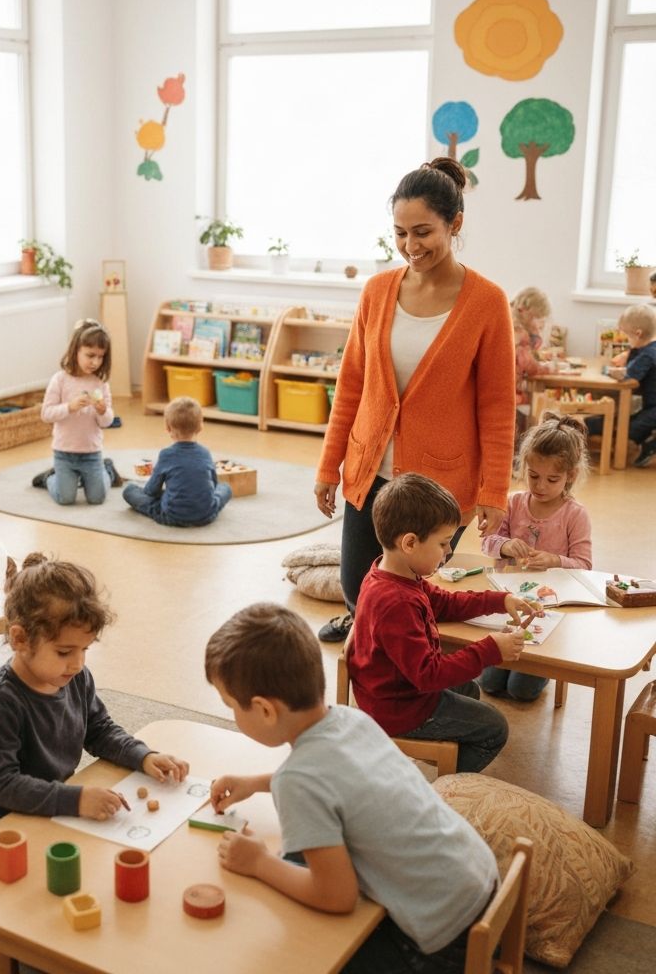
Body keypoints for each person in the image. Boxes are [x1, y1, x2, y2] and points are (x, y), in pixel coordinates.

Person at [205, 602, 500, 973]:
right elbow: (342, 779)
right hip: (482, 882)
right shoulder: (350, 719)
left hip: (443, 940)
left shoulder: (297, 782)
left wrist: (259, 863)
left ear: (265, 710)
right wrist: (258, 783)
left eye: (231, 705)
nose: (232, 714)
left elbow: (337, 896)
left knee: (304, 949)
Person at [0, 553, 189, 959]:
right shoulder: (0, 703)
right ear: (21, 638)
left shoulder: (75, 677)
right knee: (39, 921)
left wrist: (142, 755)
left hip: (48, 809)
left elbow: (98, 729)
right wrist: (76, 799)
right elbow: (1, 785)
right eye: (65, 652)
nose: (78, 663)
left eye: (84, 650)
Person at [313, 158, 516, 643]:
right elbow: (352, 387)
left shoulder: (487, 303)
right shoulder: (377, 291)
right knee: (356, 586)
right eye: (400, 234)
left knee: (422, 594)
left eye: (422, 232)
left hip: (440, 484)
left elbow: (497, 408)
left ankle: (425, 676)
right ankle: (366, 641)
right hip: (371, 470)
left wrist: (493, 492)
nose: (410, 247)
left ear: (455, 224)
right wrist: (328, 467)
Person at [348, 473, 540, 772]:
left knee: (470, 689)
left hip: (394, 693)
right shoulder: (396, 601)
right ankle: (445, 789)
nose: (448, 551)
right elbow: (429, 675)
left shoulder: (395, 574)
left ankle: (444, 752)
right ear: (410, 543)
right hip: (400, 708)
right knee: (495, 729)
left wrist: (498, 600)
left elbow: (444, 603)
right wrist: (491, 649)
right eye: (443, 543)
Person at [479, 412, 592, 701]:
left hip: (549, 612)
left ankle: (544, 669)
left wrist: (556, 561)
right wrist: (504, 546)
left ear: (571, 476)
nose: (540, 486)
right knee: (490, 683)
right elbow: (487, 542)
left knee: (521, 691)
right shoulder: (514, 503)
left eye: (552, 479)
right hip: (508, 605)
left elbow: (585, 566)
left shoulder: (575, 514)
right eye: (533, 476)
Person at [34, 318, 121, 504]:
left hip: (91, 452)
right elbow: (46, 414)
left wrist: (103, 411)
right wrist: (69, 407)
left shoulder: (100, 383)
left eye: (100, 357)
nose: (95, 362)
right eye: (90, 355)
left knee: (97, 498)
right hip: (64, 452)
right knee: (65, 498)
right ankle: (49, 478)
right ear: (76, 351)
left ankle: (108, 471)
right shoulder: (60, 379)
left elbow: (107, 422)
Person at [122, 396, 232, 526]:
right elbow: (213, 485)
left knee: (129, 490)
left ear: (168, 428)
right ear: (201, 426)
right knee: (225, 488)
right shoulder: (205, 453)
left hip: (173, 516)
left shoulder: (166, 455)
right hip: (206, 515)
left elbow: (151, 491)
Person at [590, 303, 656, 467]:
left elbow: (629, 379)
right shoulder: (649, 349)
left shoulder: (647, 354)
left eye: (626, 336)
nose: (626, 341)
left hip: (654, 409)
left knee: (628, 430)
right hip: (651, 406)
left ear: (638, 334)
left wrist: (614, 372)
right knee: (627, 424)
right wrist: (628, 355)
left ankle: (652, 445)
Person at [510, 286, 555, 442]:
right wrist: (549, 368)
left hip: (501, 386)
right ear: (528, 314)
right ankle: (521, 444)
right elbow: (529, 365)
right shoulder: (520, 333)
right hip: (509, 391)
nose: (540, 323)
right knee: (530, 403)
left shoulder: (509, 321)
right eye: (538, 318)